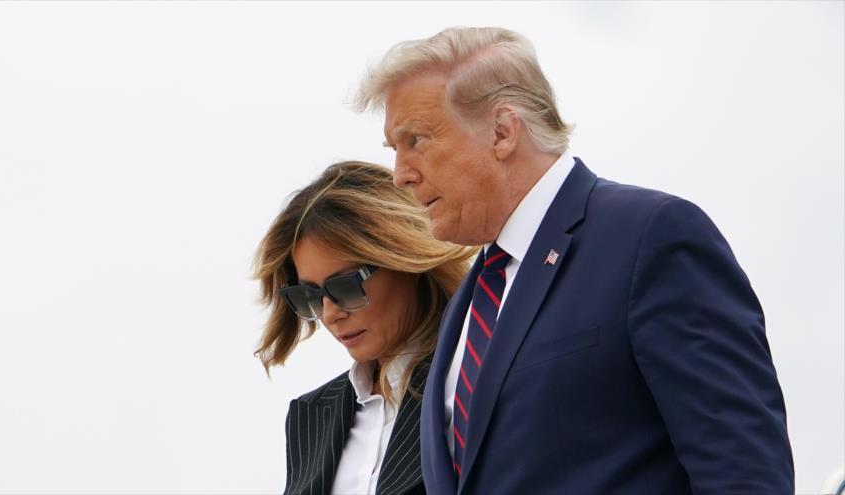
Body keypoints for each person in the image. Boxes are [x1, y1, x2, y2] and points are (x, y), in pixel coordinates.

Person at [354, 27, 794, 494]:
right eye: (394, 150)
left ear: (503, 131)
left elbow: (743, 472)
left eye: (416, 140)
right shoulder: (469, 299)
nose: (400, 175)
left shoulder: (651, 236)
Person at [253, 161, 476, 495]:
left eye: (344, 287)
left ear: (403, 260)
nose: (330, 315)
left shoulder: (472, 383)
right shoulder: (311, 415)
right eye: (309, 296)